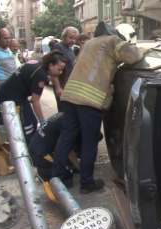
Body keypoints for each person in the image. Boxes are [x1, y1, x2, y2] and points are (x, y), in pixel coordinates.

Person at [51, 22, 145, 194]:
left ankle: (58, 177)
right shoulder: (113, 41)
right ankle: (87, 183)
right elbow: (133, 57)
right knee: (89, 140)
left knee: (66, 137)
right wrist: (143, 49)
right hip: (89, 99)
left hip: (70, 95)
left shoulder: (91, 43)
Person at [0, 51, 67, 144]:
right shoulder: (40, 74)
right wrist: (43, 121)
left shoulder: (41, 63)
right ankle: (25, 150)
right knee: (27, 126)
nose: (61, 72)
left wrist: (58, 87)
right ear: (51, 65)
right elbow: (35, 101)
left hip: (16, 94)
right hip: (12, 97)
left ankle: (31, 145)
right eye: (59, 69)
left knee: (33, 122)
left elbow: (53, 74)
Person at [28, 112, 78, 185]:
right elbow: (68, 150)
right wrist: (79, 166)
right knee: (66, 175)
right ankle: (44, 173)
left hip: (34, 148)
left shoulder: (63, 115)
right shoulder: (67, 124)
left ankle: (45, 170)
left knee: (68, 164)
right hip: (40, 155)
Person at [51, 27, 79, 111]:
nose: (73, 41)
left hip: (70, 86)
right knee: (64, 112)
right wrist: (57, 87)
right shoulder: (58, 47)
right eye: (70, 38)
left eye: (75, 38)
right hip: (62, 86)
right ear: (64, 36)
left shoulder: (70, 49)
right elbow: (53, 69)